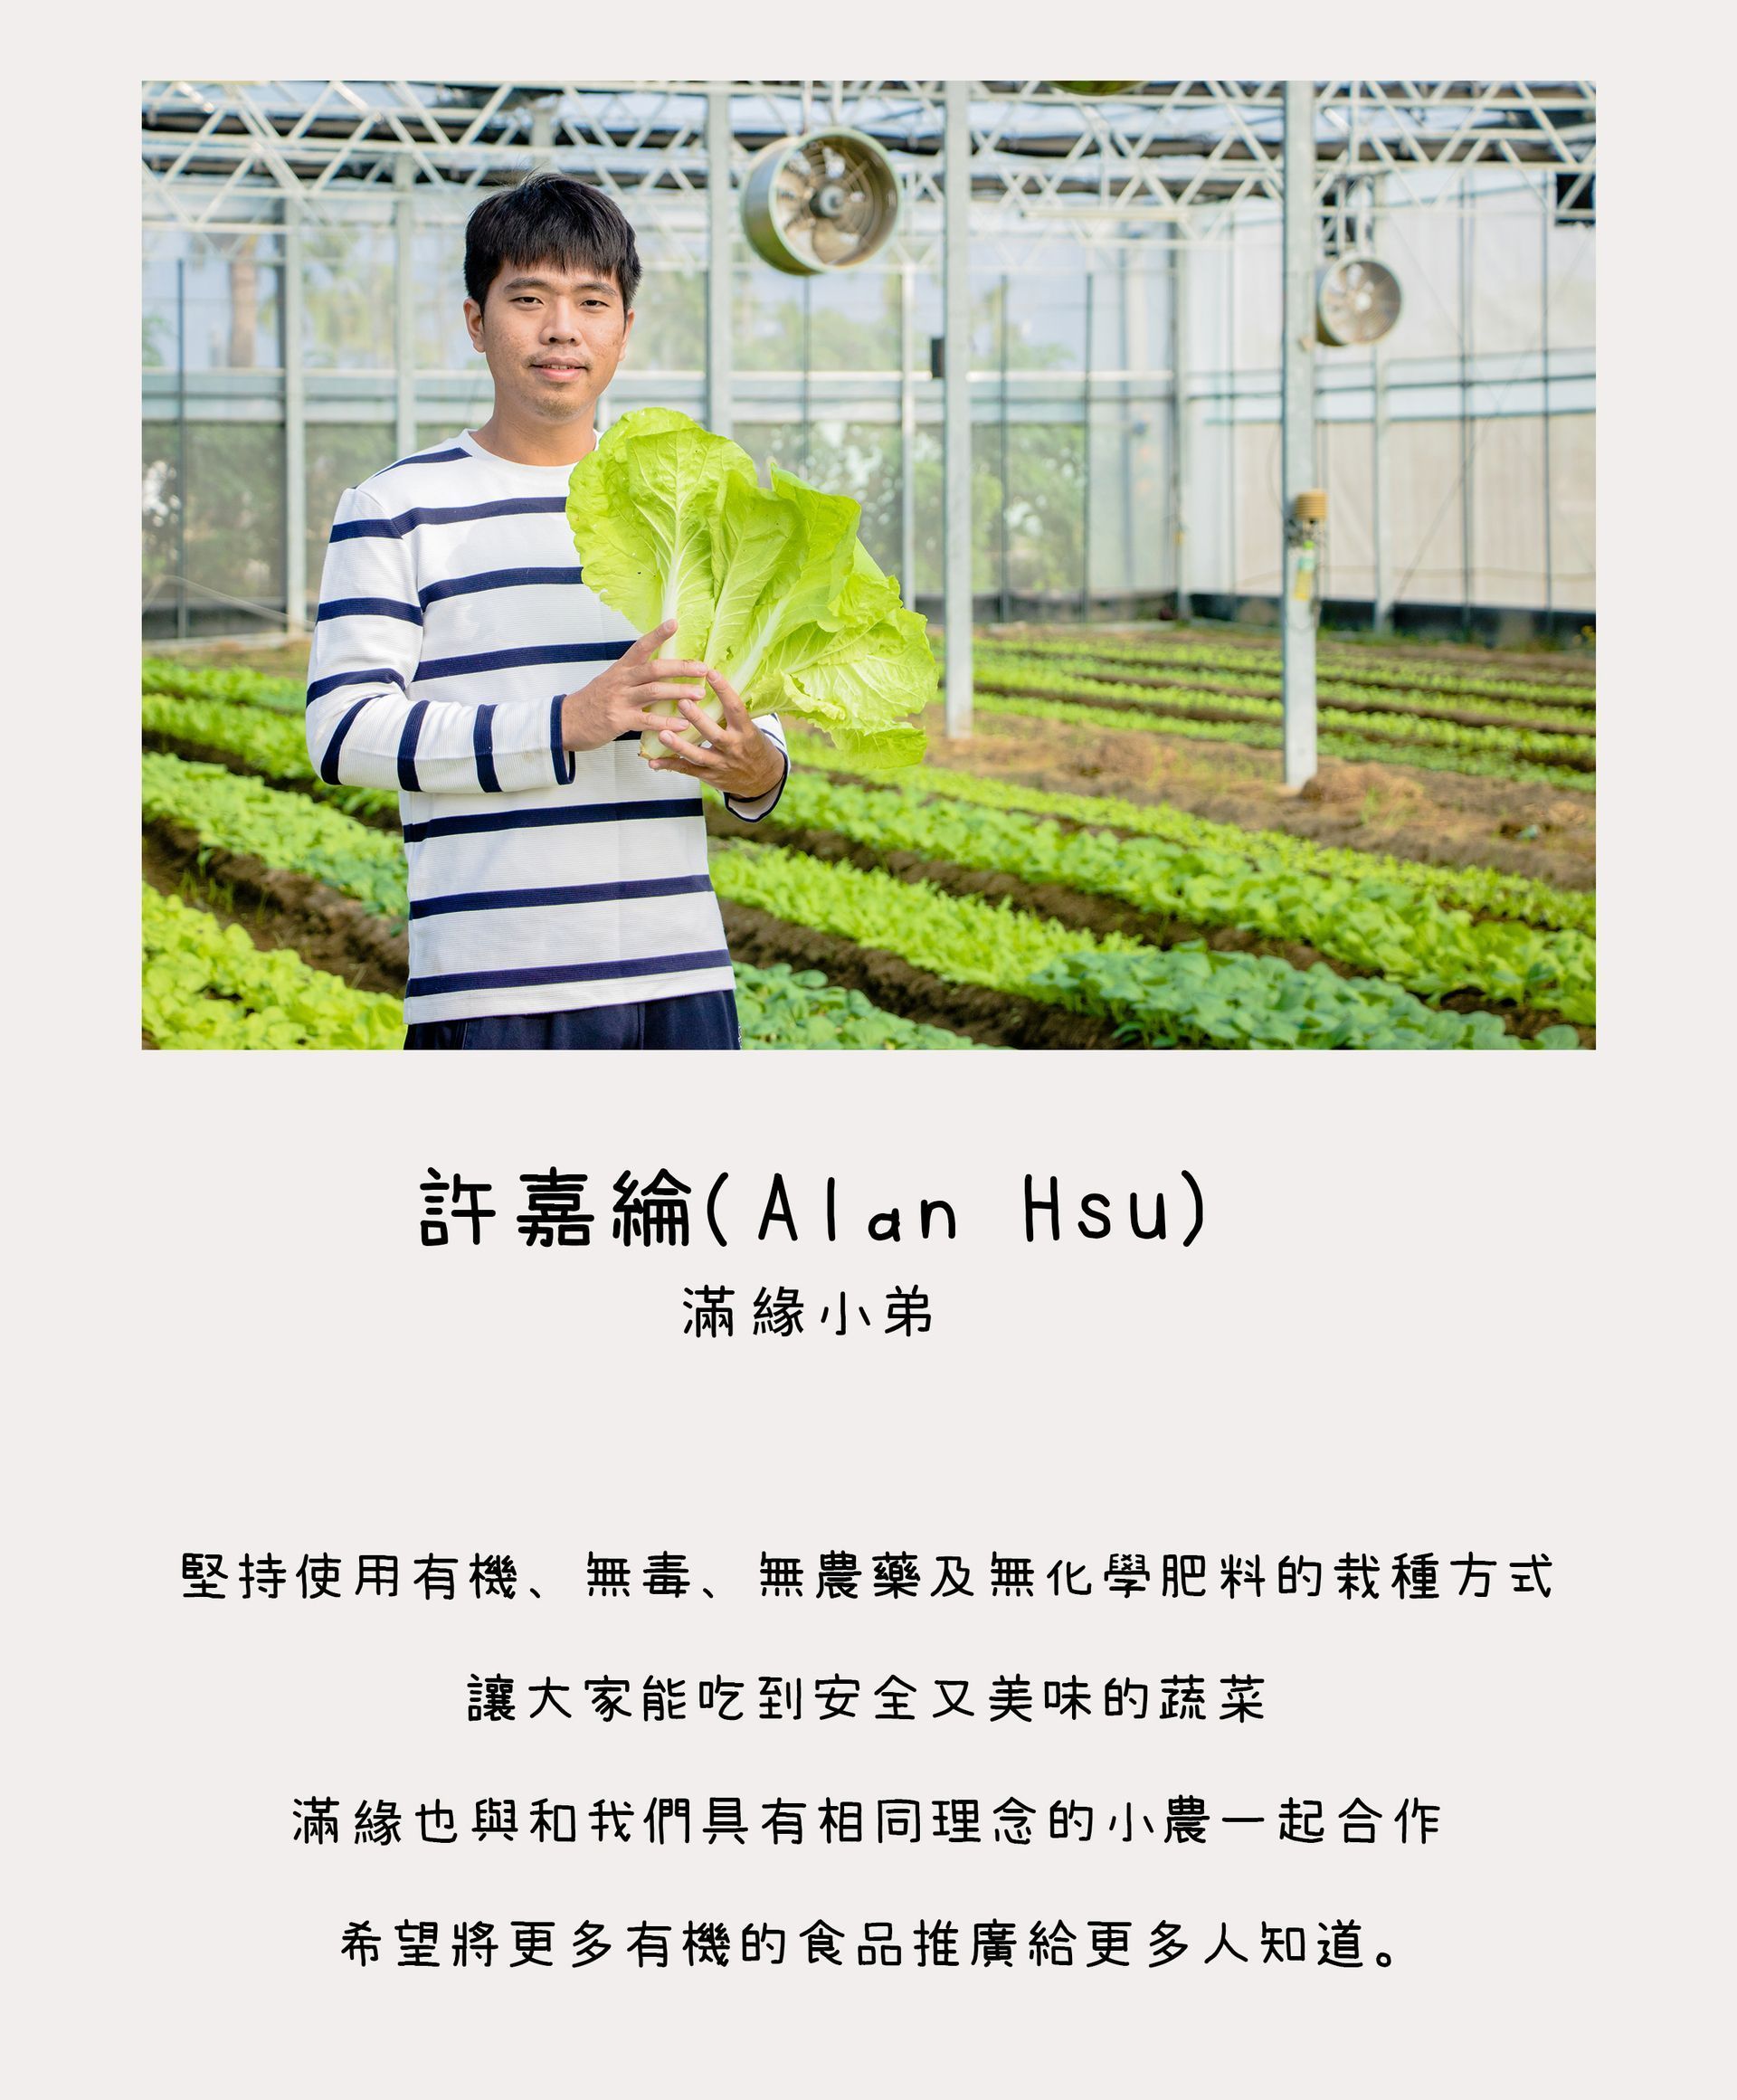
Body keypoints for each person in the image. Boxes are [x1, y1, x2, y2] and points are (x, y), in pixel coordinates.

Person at [303, 172, 789, 1050]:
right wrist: (566, 721)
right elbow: (342, 730)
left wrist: (757, 768)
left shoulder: (683, 506)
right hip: (491, 984)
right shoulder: (395, 506)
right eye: (529, 296)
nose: (562, 326)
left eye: (591, 300)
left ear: (625, 330)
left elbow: (760, 717)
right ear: (476, 321)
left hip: (679, 976)